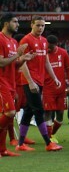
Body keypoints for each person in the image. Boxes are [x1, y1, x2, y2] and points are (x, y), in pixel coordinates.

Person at [15, 16, 63, 152]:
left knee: (29, 111)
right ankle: (48, 143)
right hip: (30, 80)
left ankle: (20, 144)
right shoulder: (26, 40)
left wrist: (54, 78)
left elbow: (46, 61)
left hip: (39, 80)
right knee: (39, 110)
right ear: (32, 25)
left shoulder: (43, 41)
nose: (41, 28)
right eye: (38, 25)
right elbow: (22, 61)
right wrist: (30, 82)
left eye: (43, 25)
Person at [0, 13, 33, 157]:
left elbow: (13, 65)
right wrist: (17, 55)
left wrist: (23, 59)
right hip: (2, 82)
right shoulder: (0, 39)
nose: (18, 24)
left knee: (7, 116)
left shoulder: (13, 42)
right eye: (15, 22)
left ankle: (2, 150)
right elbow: (1, 62)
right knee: (10, 113)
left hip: (11, 82)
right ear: (6, 23)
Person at [43, 35, 69, 143]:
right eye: (47, 46)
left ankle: (52, 134)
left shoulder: (63, 53)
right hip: (47, 88)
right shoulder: (44, 53)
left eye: (50, 47)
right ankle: (49, 138)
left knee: (60, 113)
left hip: (61, 89)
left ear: (55, 45)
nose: (48, 49)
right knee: (48, 112)